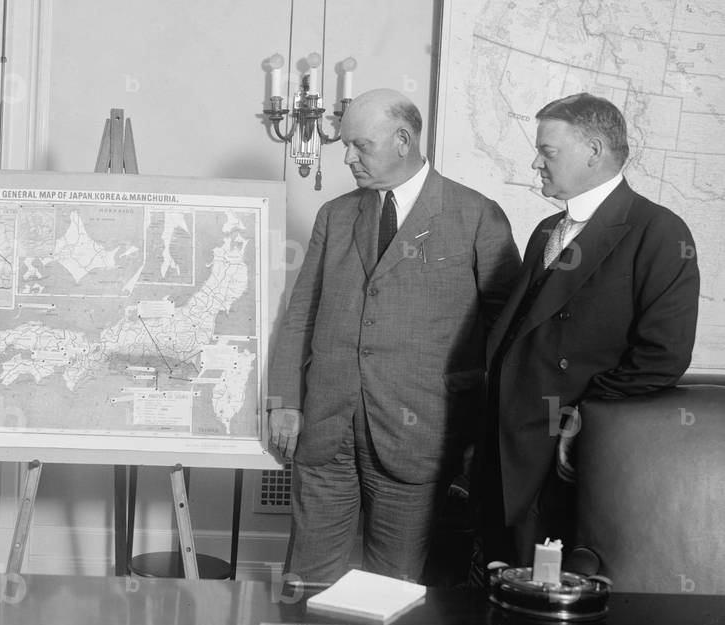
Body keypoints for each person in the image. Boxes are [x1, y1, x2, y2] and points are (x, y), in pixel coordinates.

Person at [267, 88, 521, 587]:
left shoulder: (476, 216)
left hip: (419, 433)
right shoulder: (336, 215)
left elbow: (506, 337)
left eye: (360, 145)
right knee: (308, 582)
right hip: (325, 426)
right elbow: (302, 312)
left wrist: (482, 432)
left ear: (403, 140)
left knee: (394, 591)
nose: (348, 158)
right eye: (345, 145)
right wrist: (284, 400)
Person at [483, 92, 700, 565]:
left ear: (594, 151)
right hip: (505, 452)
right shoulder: (546, 229)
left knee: (546, 615)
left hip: (566, 462)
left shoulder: (659, 232)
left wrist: (584, 418)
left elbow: (663, 356)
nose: (536, 162)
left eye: (549, 151)